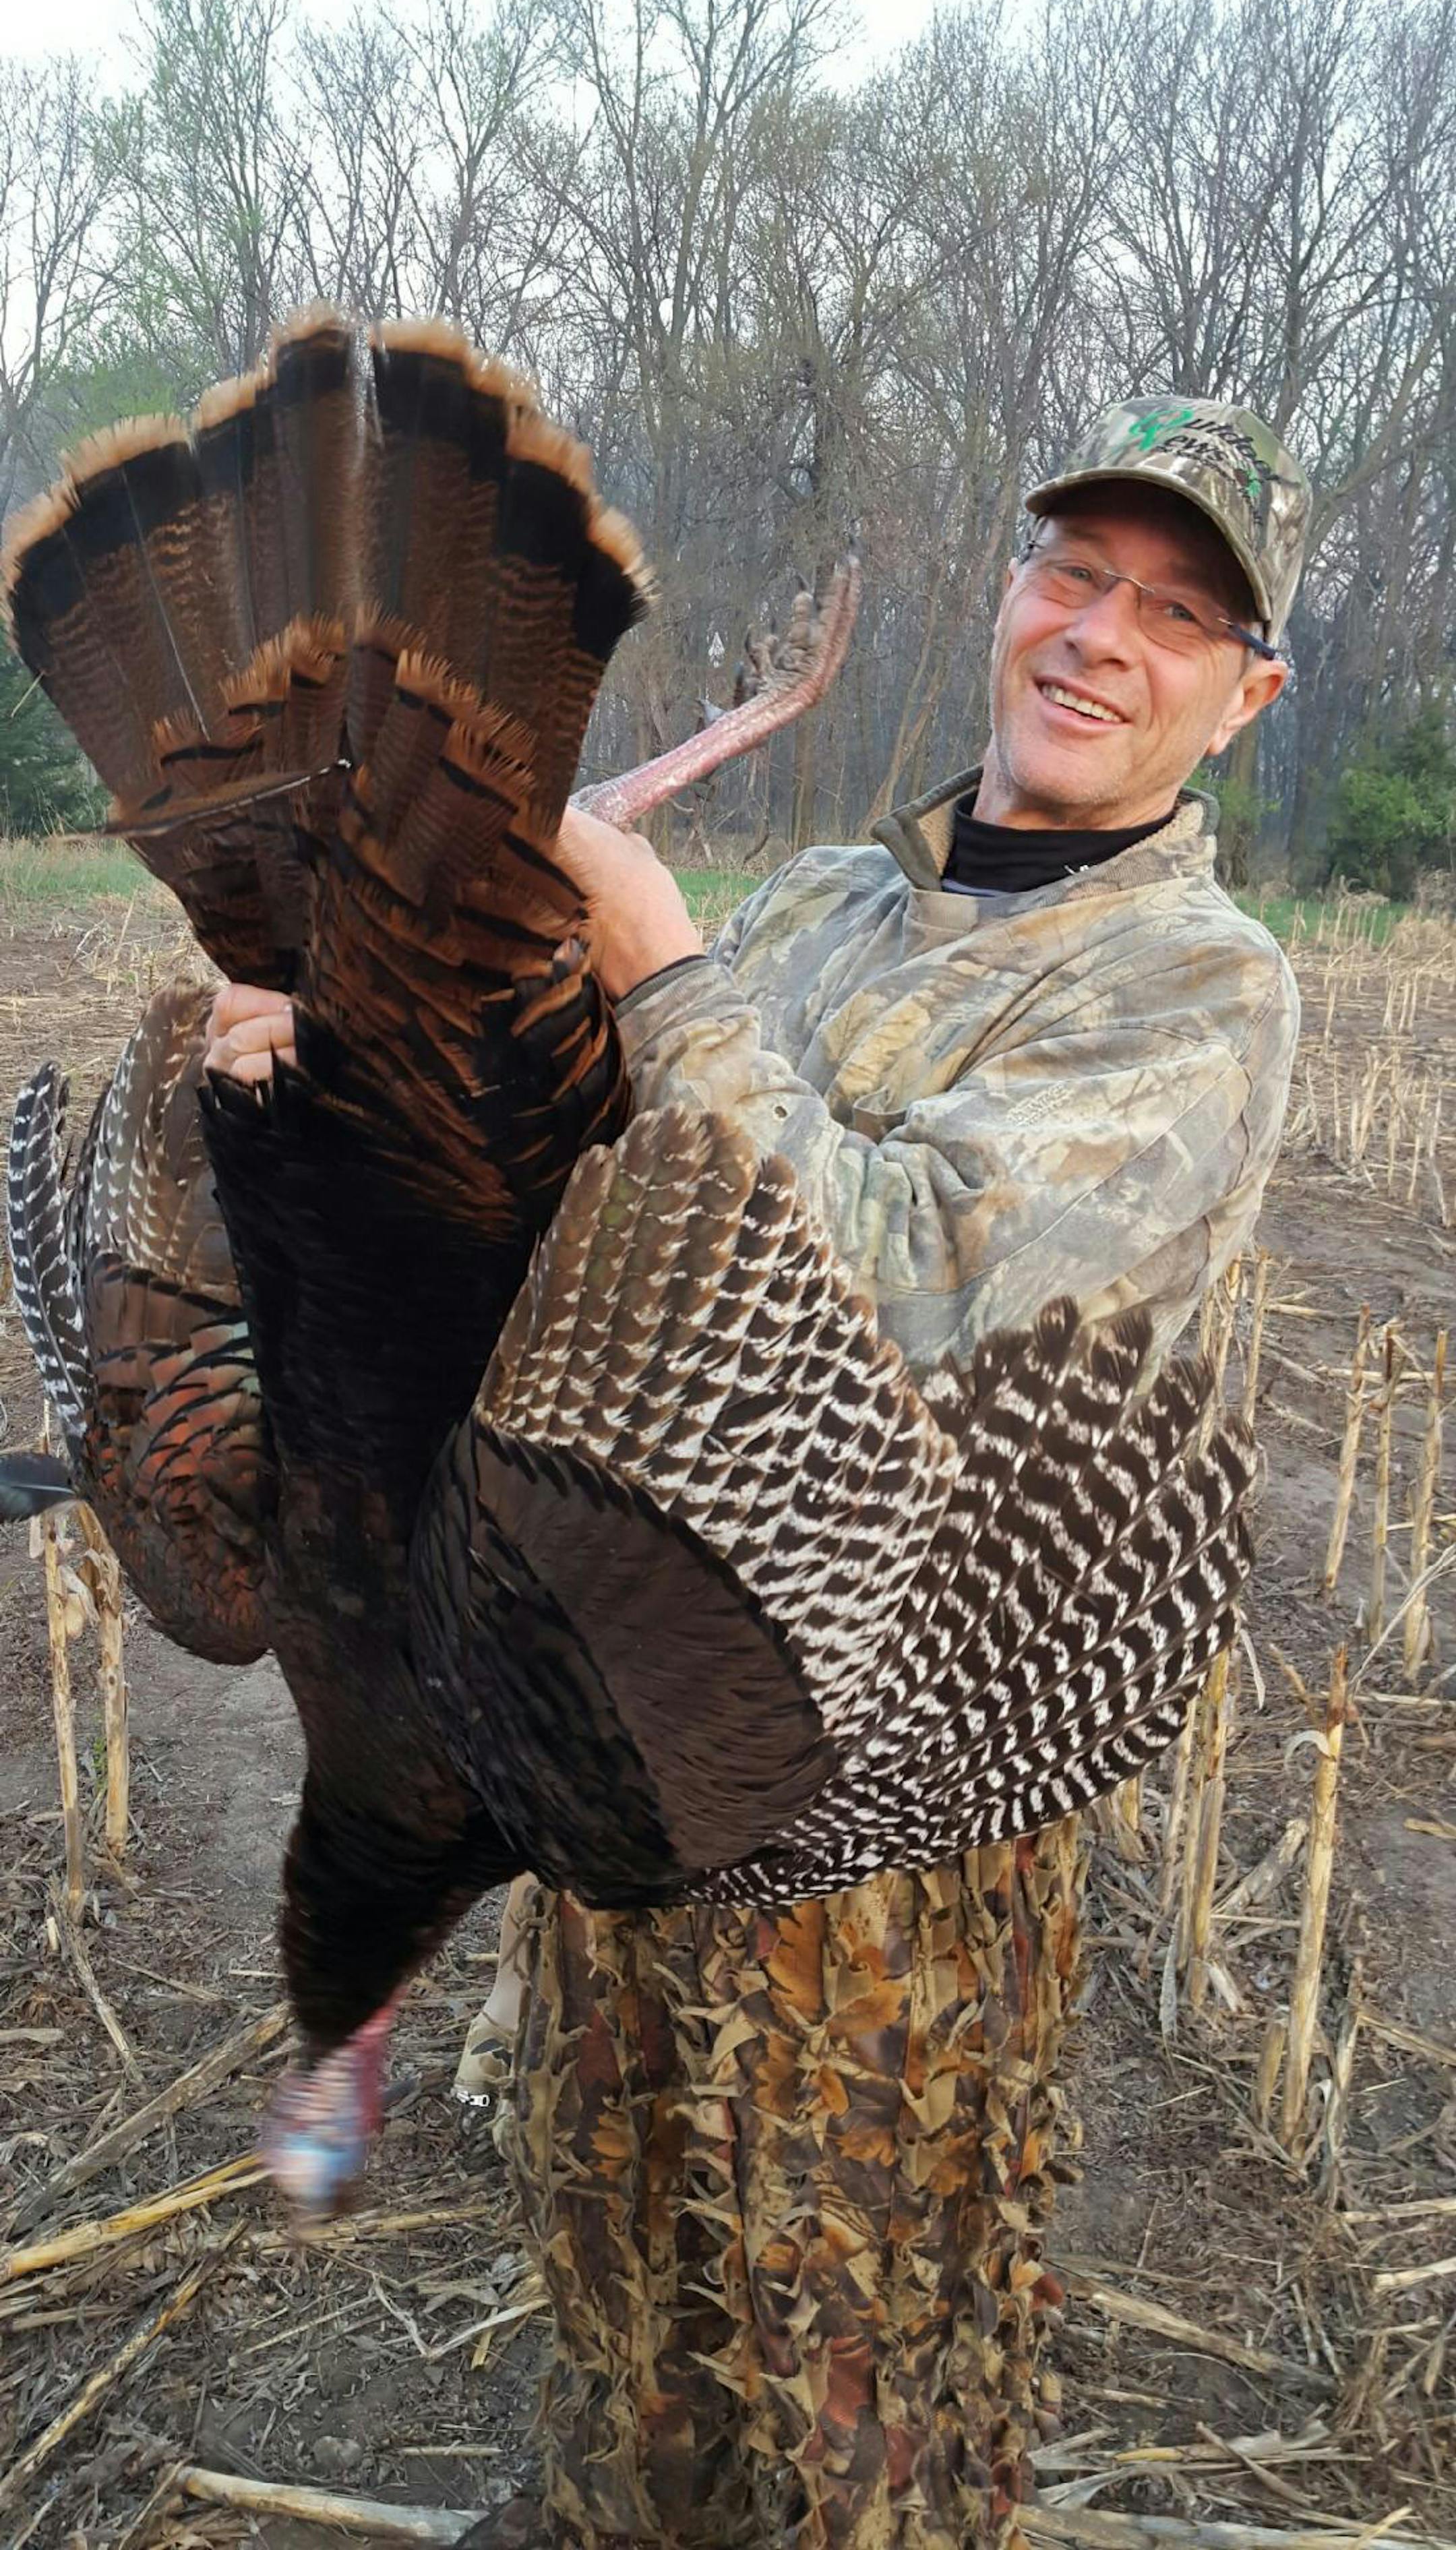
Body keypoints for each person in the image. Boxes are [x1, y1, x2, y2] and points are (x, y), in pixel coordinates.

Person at [207, 396, 1311, 2547]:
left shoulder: (1195, 987)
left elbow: (902, 1300)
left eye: (1179, 615)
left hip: (893, 1819)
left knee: (850, 2350)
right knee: (620, 2252)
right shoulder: (825, 901)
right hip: (619, 1728)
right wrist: (344, 1077)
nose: (1102, 634)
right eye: (1076, 572)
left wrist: (665, 970)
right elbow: (586, 1213)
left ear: (1247, 697)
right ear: (1013, 590)